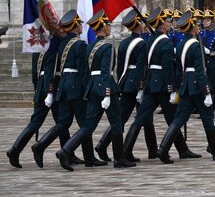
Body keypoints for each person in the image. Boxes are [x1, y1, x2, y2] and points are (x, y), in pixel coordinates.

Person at [56, 10, 135, 171]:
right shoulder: (107, 46)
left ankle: (65, 150)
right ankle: (119, 159)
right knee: (117, 122)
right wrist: (106, 93)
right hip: (105, 87)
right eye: (108, 25)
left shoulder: (90, 46)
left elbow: (87, 71)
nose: (109, 28)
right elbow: (106, 71)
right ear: (102, 27)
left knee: (88, 125)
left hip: (92, 86)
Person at [124, 7, 200, 162]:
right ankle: (165, 151)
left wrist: (141, 85)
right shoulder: (165, 41)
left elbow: (143, 64)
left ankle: (126, 150)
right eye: (168, 21)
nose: (170, 24)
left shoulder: (150, 39)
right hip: (163, 85)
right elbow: (167, 68)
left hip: (151, 83)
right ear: (162, 24)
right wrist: (172, 89)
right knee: (173, 118)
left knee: (141, 117)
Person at [158, 10, 215, 163]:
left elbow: (178, 70)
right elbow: (200, 70)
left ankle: (163, 148)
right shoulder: (195, 44)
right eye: (197, 25)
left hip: (186, 84)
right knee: (207, 119)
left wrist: (179, 87)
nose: (199, 27)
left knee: (179, 118)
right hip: (197, 86)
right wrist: (207, 91)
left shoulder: (180, 45)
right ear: (192, 27)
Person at [31, 10, 101, 169]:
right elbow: (83, 70)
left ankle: (40, 145)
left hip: (63, 86)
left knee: (63, 122)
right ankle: (88, 157)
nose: (82, 26)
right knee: (85, 123)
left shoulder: (62, 44)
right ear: (75, 26)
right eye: (80, 23)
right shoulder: (80, 45)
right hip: (76, 86)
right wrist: (87, 90)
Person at [6, 33, 82, 168]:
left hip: (41, 86)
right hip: (52, 85)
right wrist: (50, 91)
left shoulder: (42, 42)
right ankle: (53, 150)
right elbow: (50, 69)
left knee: (40, 122)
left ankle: (15, 150)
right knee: (62, 122)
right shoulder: (55, 43)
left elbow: (35, 72)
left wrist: (38, 89)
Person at [94, 10, 158, 162]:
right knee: (125, 118)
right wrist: (141, 87)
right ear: (138, 25)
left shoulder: (124, 43)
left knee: (144, 117)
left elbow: (121, 67)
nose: (143, 25)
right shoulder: (141, 43)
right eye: (141, 23)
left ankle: (152, 149)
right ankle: (108, 146)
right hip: (136, 84)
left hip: (126, 82)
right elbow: (142, 66)